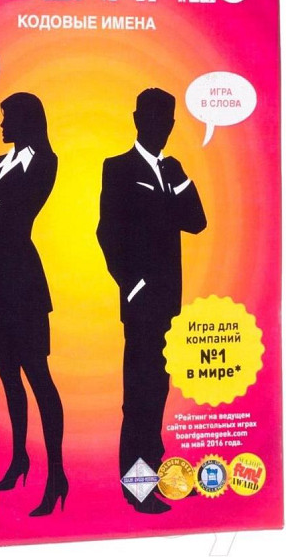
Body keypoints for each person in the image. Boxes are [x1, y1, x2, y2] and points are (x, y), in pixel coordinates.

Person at [97, 88, 207, 514]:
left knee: (157, 389)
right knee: (139, 393)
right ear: (137, 119)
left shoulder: (171, 170)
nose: (161, 126)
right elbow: (107, 231)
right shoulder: (118, 168)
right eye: (153, 118)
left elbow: (196, 222)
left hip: (168, 302)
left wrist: (180, 177)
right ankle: (137, 487)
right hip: (141, 302)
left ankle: (158, 473)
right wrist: (131, 284)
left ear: (172, 125)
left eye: (167, 120)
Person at [0, 92, 68, 517]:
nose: (1, 125)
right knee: (9, 377)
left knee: (38, 376)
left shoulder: (45, 161)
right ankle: (20, 459)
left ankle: (56, 474)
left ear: (26, 120)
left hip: (24, 285)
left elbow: (16, 211)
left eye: (7, 118)